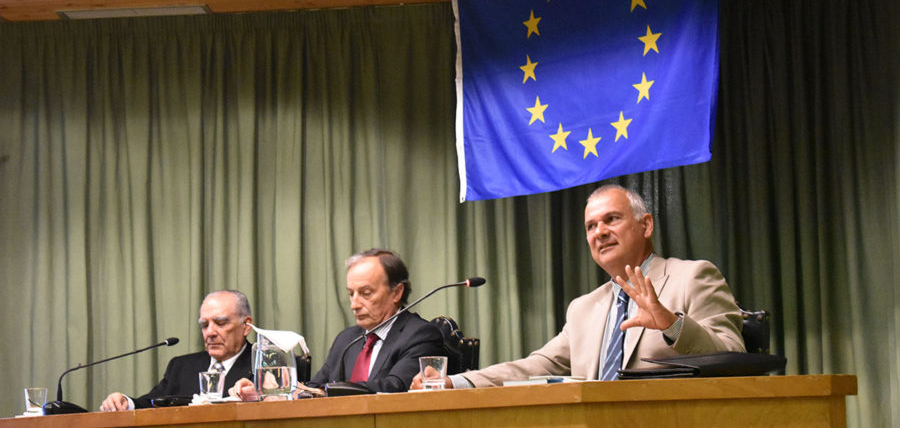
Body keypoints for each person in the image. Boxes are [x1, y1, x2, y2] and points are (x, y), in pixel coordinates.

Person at [413, 184, 745, 389]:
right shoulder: (584, 308)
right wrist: (456, 381)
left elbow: (735, 358)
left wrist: (671, 325)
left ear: (646, 226)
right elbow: (538, 366)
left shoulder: (693, 277)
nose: (600, 232)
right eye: (591, 226)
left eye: (612, 219)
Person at [230, 249, 444, 398]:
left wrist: (322, 392)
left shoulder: (420, 334)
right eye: (351, 294)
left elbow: (395, 386)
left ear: (396, 292)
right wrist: (268, 392)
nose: (354, 304)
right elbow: (314, 387)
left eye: (365, 293)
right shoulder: (348, 338)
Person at [99, 290, 254, 410]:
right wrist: (126, 402)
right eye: (204, 325)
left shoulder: (262, 367)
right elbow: (152, 403)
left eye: (220, 323)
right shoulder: (181, 366)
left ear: (246, 325)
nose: (210, 333)